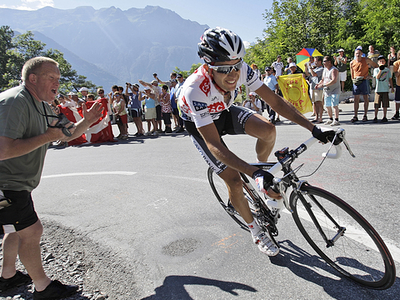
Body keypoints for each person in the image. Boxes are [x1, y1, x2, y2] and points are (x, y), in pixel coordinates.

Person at [178, 27, 335, 257]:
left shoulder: (241, 70)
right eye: (223, 69)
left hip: (222, 111)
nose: (232, 74)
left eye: (236, 65)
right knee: (234, 179)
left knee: (268, 130)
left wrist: (314, 128)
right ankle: (255, 230)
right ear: (208, 66)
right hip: (200, 124)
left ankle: (263, 171)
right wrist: (251, 172)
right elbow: (214, 144)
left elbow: (277, 103)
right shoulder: (195, 89)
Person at [0, 57, 102, 299]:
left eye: (59, 78)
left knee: (13, 230)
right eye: (51, 78)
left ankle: (8, 276)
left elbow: (65, 134)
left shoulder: (42, 106)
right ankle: (43, 287)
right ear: (32, 79)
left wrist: (86, 121)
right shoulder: (15, 102)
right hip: (6, 184)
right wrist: (47, 137)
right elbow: (3, 150)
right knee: (31, 231)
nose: (57, 83)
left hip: (16, 184)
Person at [350, 46, 378, 122]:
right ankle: (355, 116)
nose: (358, 55)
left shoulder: (366, 60)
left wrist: (372, 76)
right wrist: (353, 80)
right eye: (356, 53)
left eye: (359, 53)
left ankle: (365, 115)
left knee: (366, 98)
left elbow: (376, 66)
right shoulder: (352, 62)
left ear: (362, 54)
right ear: (354, 54)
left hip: (364, 80)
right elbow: (352, 73)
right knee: (356, 99)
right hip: (356, 81)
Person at [316, 56, 341, 126]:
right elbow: (323, 79)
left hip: (334, 90)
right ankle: (330, 118)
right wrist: (318, 84)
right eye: (323, 61)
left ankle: (336, 120)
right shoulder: (325, 70)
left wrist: (324, 85)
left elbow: (334, 80)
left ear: (329, 62)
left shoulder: (334, 70)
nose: (323, 63)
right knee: (327, 105)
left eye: (324, 61)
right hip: (327, 90)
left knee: (334, 105)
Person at [372, 55, 394, 123]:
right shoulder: (376, 70)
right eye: (380, 61)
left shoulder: (387, 70)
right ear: (378, 62)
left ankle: (384, 116)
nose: (381, 62)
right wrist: (380, 70)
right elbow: (377, 77)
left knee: (385, 104)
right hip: (378, 89)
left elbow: (390, 79)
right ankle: (375, 116)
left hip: (385, 89)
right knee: (376, 104)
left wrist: (392, 87)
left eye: (383, 61)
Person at [309, 56, 324, 123]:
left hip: (319, 88)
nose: (315, 62)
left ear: (320, 61)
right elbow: (308, 74)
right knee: (315, 102)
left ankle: (320, 118)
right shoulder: (315, 68)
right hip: (313, 87)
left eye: (316, 61)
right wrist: (307, 67)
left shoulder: (321, 69)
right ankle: (316, 117)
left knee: (319, 102)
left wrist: (310, 67)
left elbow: (314, 74)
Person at [392, 50, 400, 120]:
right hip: (399, 84)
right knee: (397, 100)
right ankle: (397, 112)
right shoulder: (396, 63)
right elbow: (397, 75)